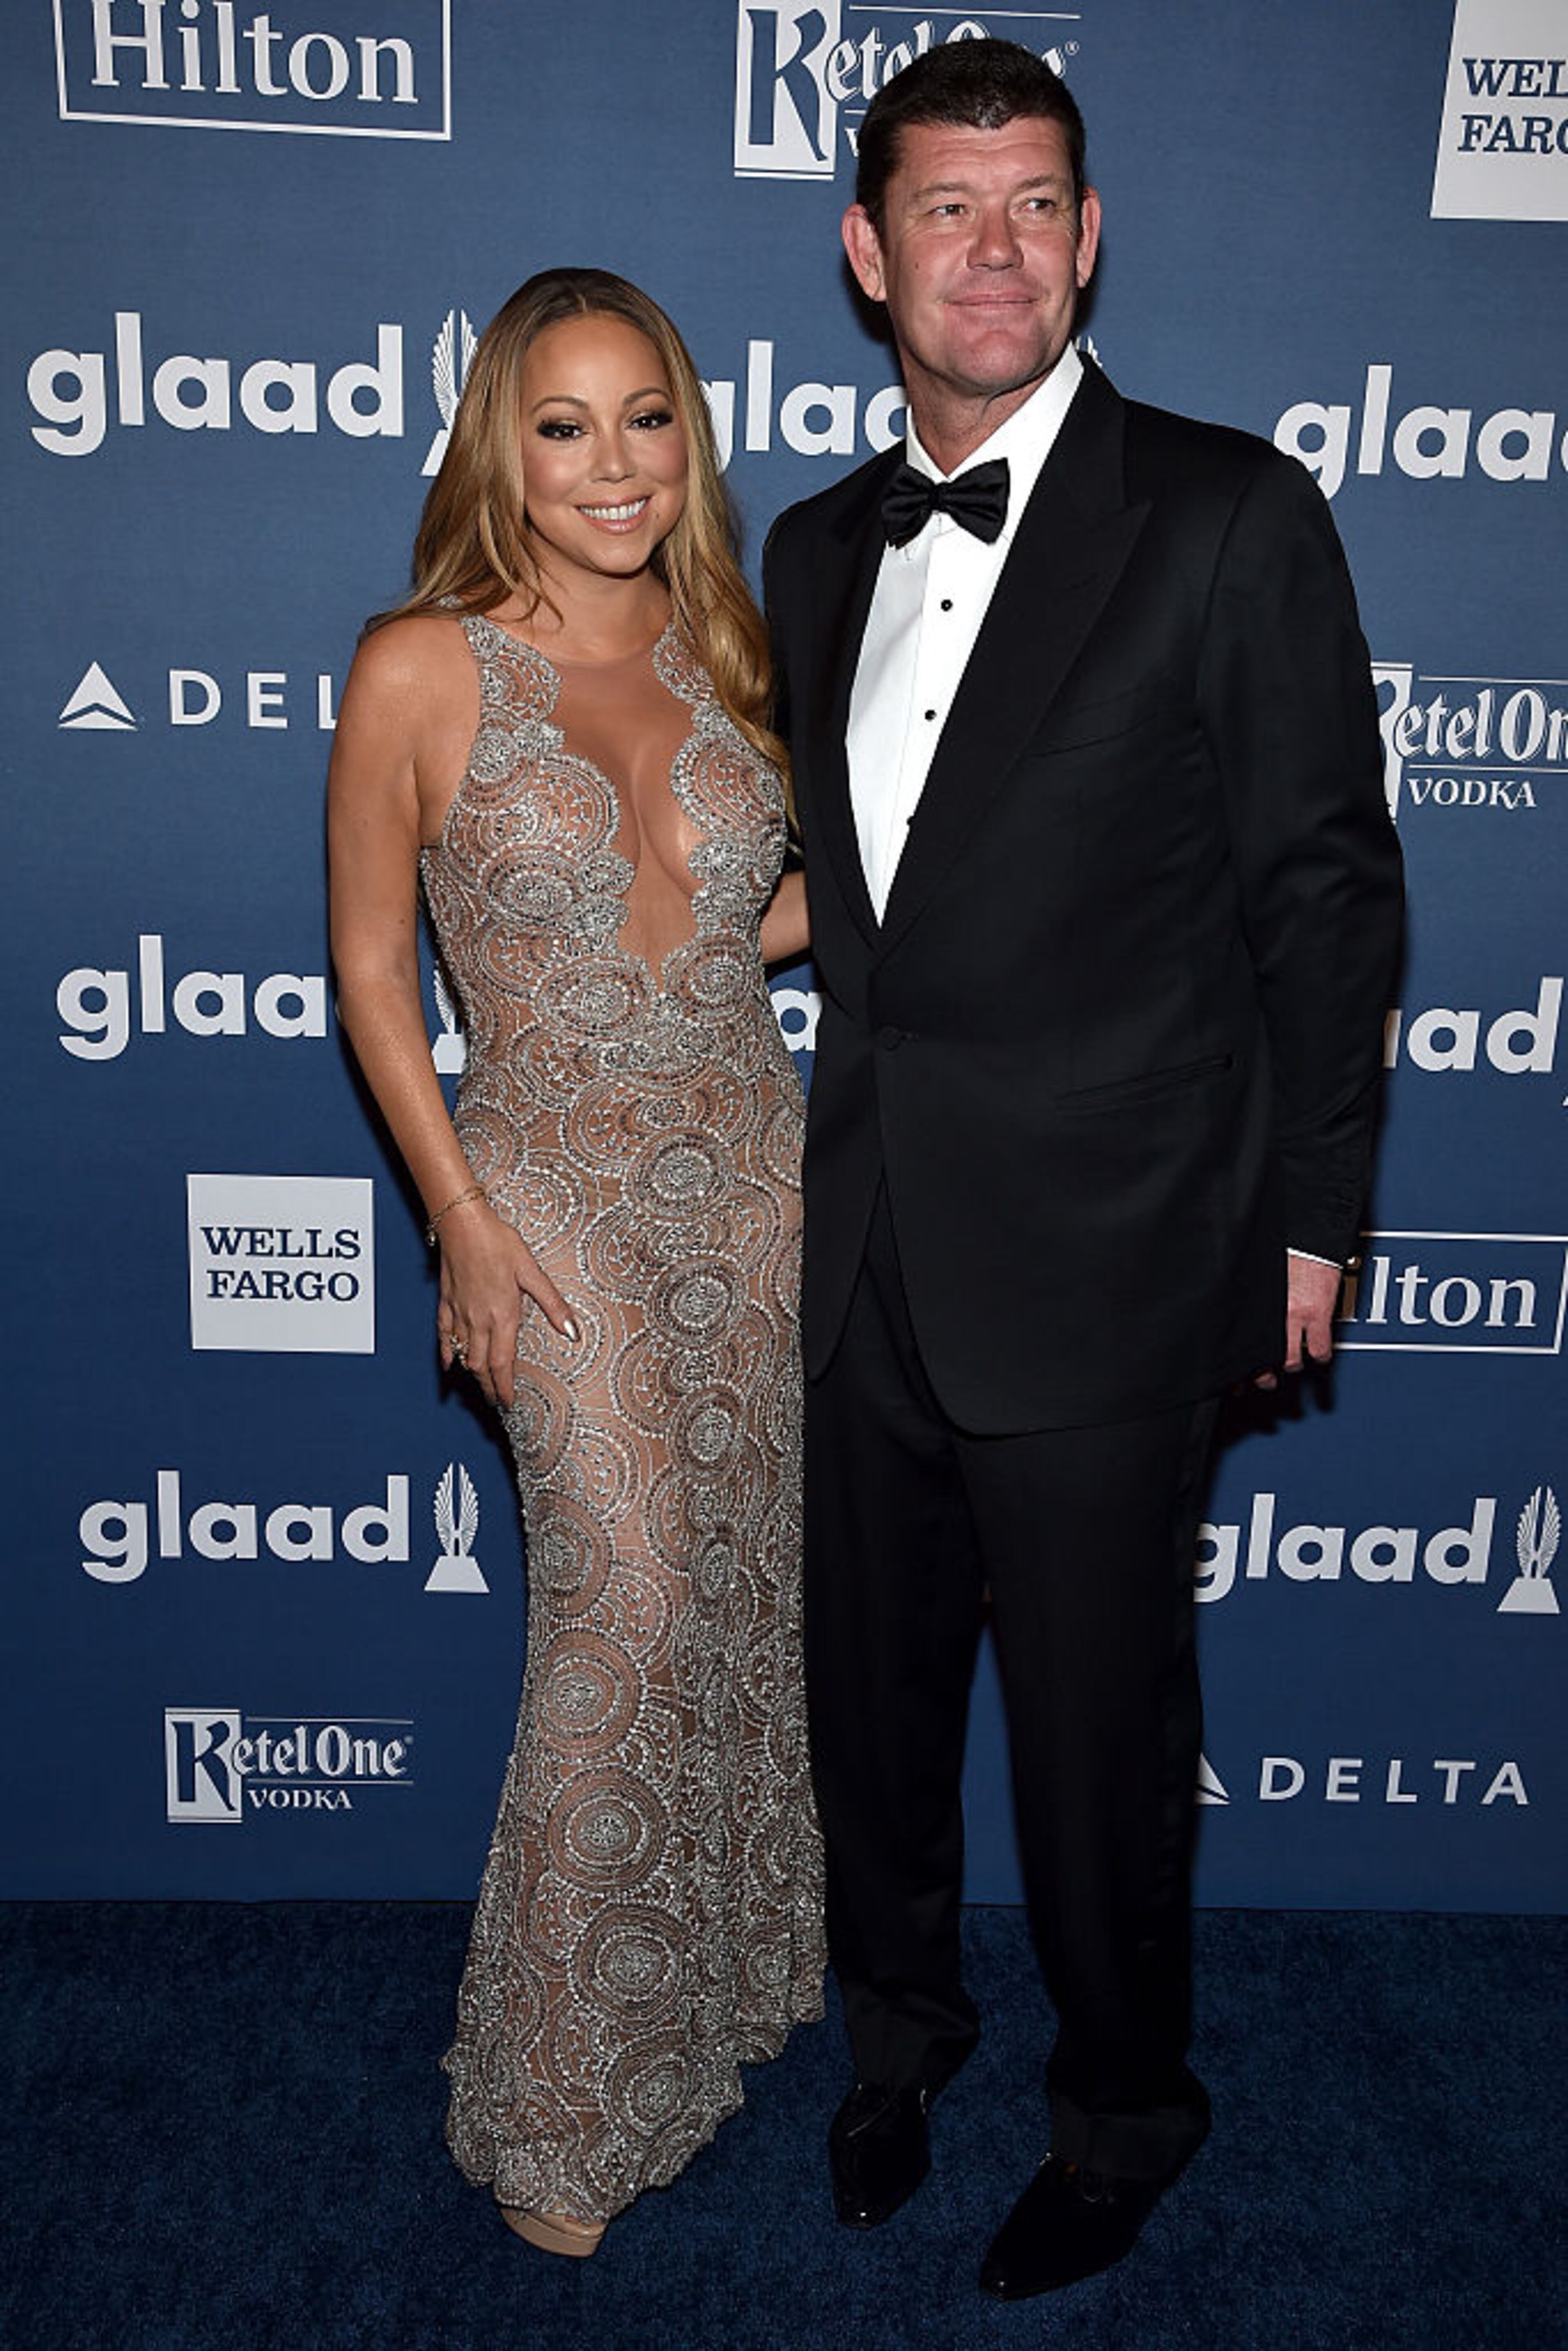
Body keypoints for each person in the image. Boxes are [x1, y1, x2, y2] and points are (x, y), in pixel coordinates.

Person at [763, 41, 1403, 2300]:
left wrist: (1310, 1221)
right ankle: (898, 2036)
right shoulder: (815, 545)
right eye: (948, 205)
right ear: (869, 252)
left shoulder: (1232, 516)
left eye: (1038, 200)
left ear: (1093, 234)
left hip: (1122, 1258)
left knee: (1105, 1736)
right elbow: (854, 907)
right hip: (866, 1251)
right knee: (876, 1710)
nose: (996, 246)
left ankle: (1130, 2108)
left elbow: (1326, 899)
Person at [327, 268, 823, 2258]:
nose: (611, 464)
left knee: (742, 1604)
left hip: (759, 1190)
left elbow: (747, 926)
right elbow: (373, 967)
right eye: (563, 424)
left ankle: (725, 1998)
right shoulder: (420, 666)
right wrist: (458, 1208)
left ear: (687, 442)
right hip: (548, 1207)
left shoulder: (740, 656)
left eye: (646, 421)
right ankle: (565, 2108)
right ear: (501, 453)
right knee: (617, 1621)